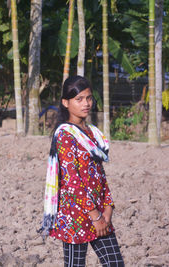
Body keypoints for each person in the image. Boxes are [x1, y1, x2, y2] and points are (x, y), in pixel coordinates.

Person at [40, 76, 125, 267]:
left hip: (100, 213)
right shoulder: (65, 135)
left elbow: (99, 175)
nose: (86, 103)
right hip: (76, 216)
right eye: (79, 99)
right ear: (65, 102)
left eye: (88, 98)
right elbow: (72, 181)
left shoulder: (92, 133)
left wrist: (108, 207)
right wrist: (95, 216)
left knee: (115, 263)